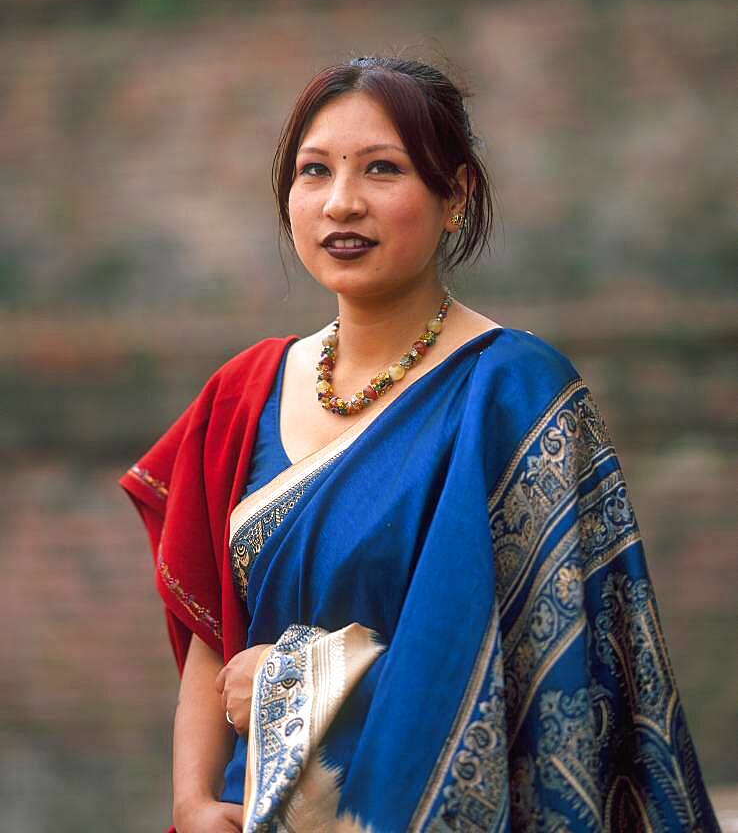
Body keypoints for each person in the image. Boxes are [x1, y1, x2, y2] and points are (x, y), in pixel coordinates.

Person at [119, 56, 718, 833]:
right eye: (314, 171)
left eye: (382, 170)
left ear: (454, 196)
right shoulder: (242, 394)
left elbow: (553, 683)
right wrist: (194, 802)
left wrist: (289, 685)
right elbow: (212, 632)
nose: (342, 203)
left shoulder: (514, 395)